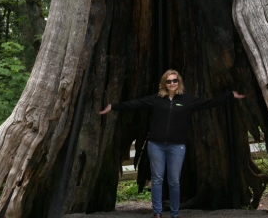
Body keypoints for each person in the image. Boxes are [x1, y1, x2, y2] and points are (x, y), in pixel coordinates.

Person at [99, 69, 245, 218]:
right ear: (164, 83)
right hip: (156, 145)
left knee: (174, 181)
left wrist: (230, 95)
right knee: (157, 179)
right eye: (168, 81)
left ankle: (174, 213)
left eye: (175, 80)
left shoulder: (187, 100)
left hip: (177, 147)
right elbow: (136, 104)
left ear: (179, 82)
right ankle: (157, 212)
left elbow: (208, 103)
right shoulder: (156, 99)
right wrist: (113, 106)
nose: (172, 83)